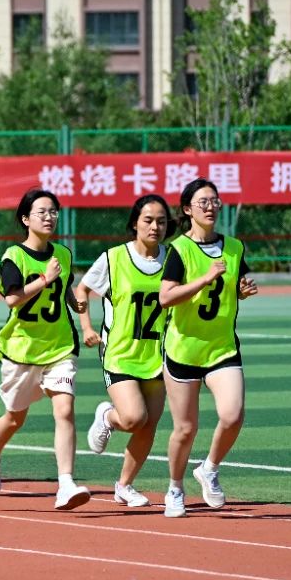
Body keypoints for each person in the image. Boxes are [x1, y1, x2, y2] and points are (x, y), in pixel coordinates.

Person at [0, 189, 91, 510]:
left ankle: (65, 484)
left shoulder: (63, 254)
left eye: (53, 211)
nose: (49, 217)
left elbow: (64, 287)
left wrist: (75, 303)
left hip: (59, 346)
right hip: (22, 350)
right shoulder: (14, 256)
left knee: (64, 410)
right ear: (26, 219)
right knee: (15, 418)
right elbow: (13, 299)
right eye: (42, 212)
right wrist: (44, 278)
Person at [158, 179, 258, 518]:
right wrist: (203, 279)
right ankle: (174, 487)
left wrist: (242, 289)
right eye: (203, 202)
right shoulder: (179, 249)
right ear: (188, 210)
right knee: (185, 429)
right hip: (184, 350)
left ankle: (209, 468)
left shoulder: (234, 247)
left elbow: (234, 285)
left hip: (222, 348)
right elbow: (166, 297)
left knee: (232, 415)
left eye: (214, 201)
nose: (211, 207)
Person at [75, 195, 174, 509]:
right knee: (133, 418)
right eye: (148, 220)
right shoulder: (114, 257)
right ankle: (107, 416)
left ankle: (124, 486)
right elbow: (82, 289)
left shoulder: (174, 259)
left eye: (161, 221)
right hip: (119, 352)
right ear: (135, 223)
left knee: (150, 424)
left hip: (157, 355)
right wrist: (87, 328)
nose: (155, 226)